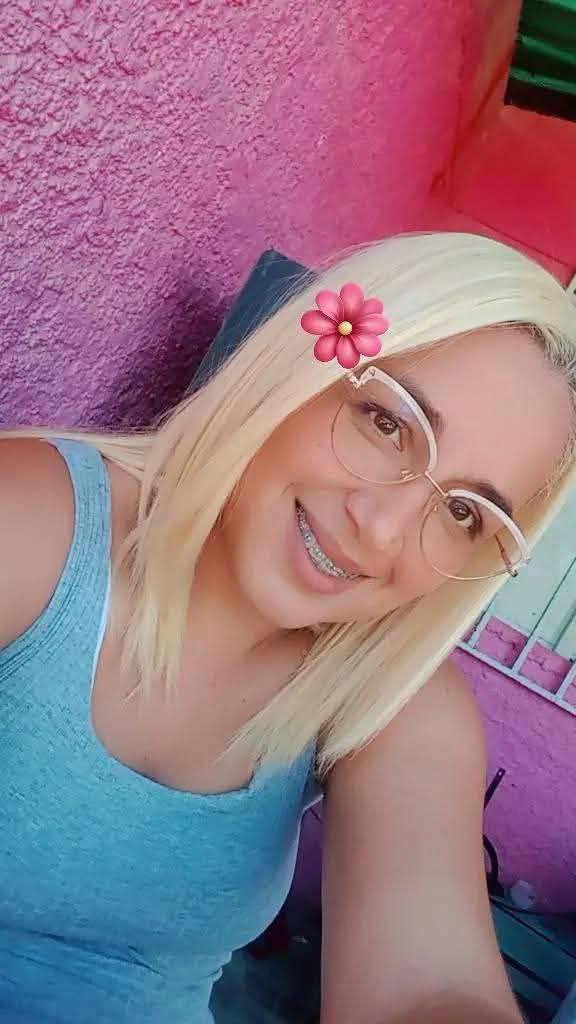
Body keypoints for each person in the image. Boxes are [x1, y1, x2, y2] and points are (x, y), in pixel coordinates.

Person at [0, 232, 574, 1024]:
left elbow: (428, 986)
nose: (382, 529)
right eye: (388, 423)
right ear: (302, 364)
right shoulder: (33, 525)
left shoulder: (394, 703)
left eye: (464, 514)